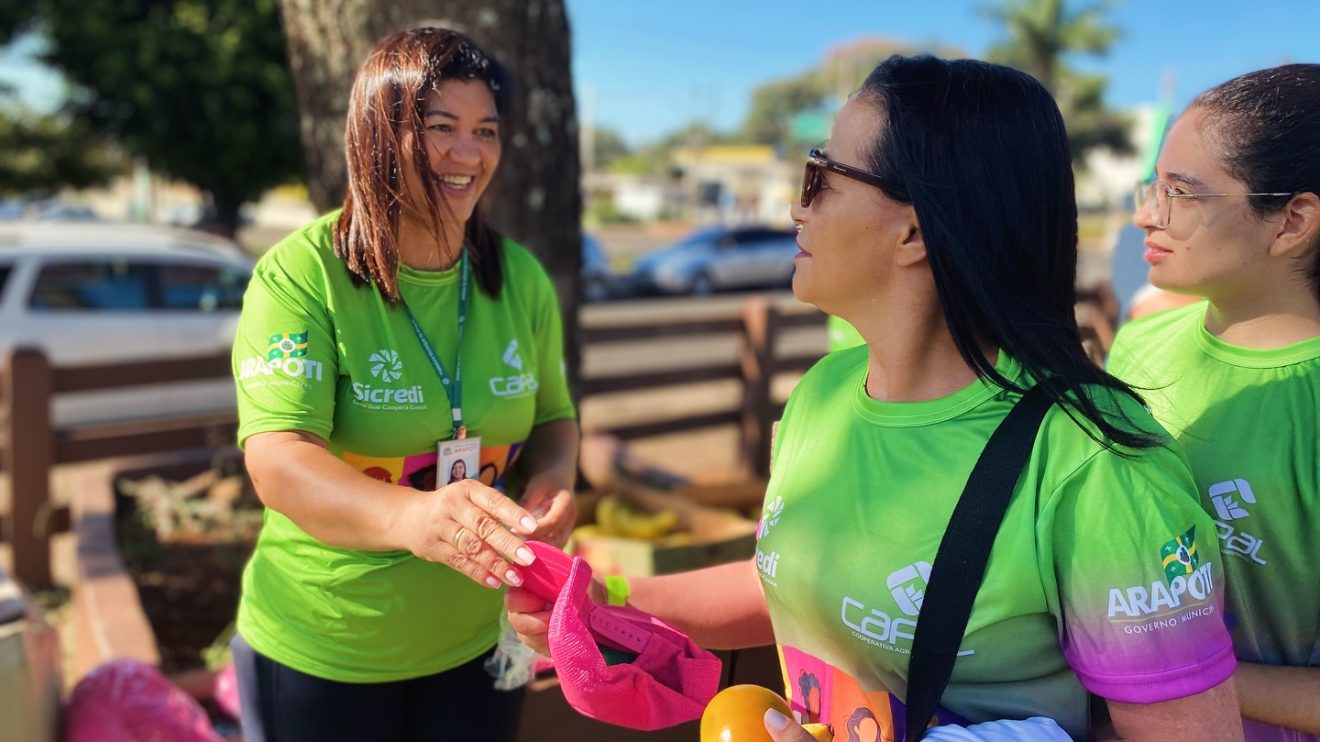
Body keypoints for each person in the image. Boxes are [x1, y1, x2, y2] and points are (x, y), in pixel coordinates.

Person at [510, 55, 1242, 741]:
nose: (796, 210)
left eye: (819, 179)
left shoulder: (1097, 463)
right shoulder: (823, 394)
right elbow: (785, 581)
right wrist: (604, 601)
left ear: (914, 230)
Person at [229, 27, 579, 742]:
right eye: (440, 127)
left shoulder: (519, 278)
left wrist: (553, 479)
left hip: (479, 646)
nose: (468, 153)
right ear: (378, 134)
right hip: (326, 651)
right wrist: (413, 520)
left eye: (486, 130)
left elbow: (554, 418)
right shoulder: (302, 275)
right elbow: (278, 459)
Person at [1108, 64, 1320, 741]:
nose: (1145, 215)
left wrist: (1177, 677)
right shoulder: (1138, 347)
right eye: (1153, 186)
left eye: (1181, 193)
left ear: (1292, 221)